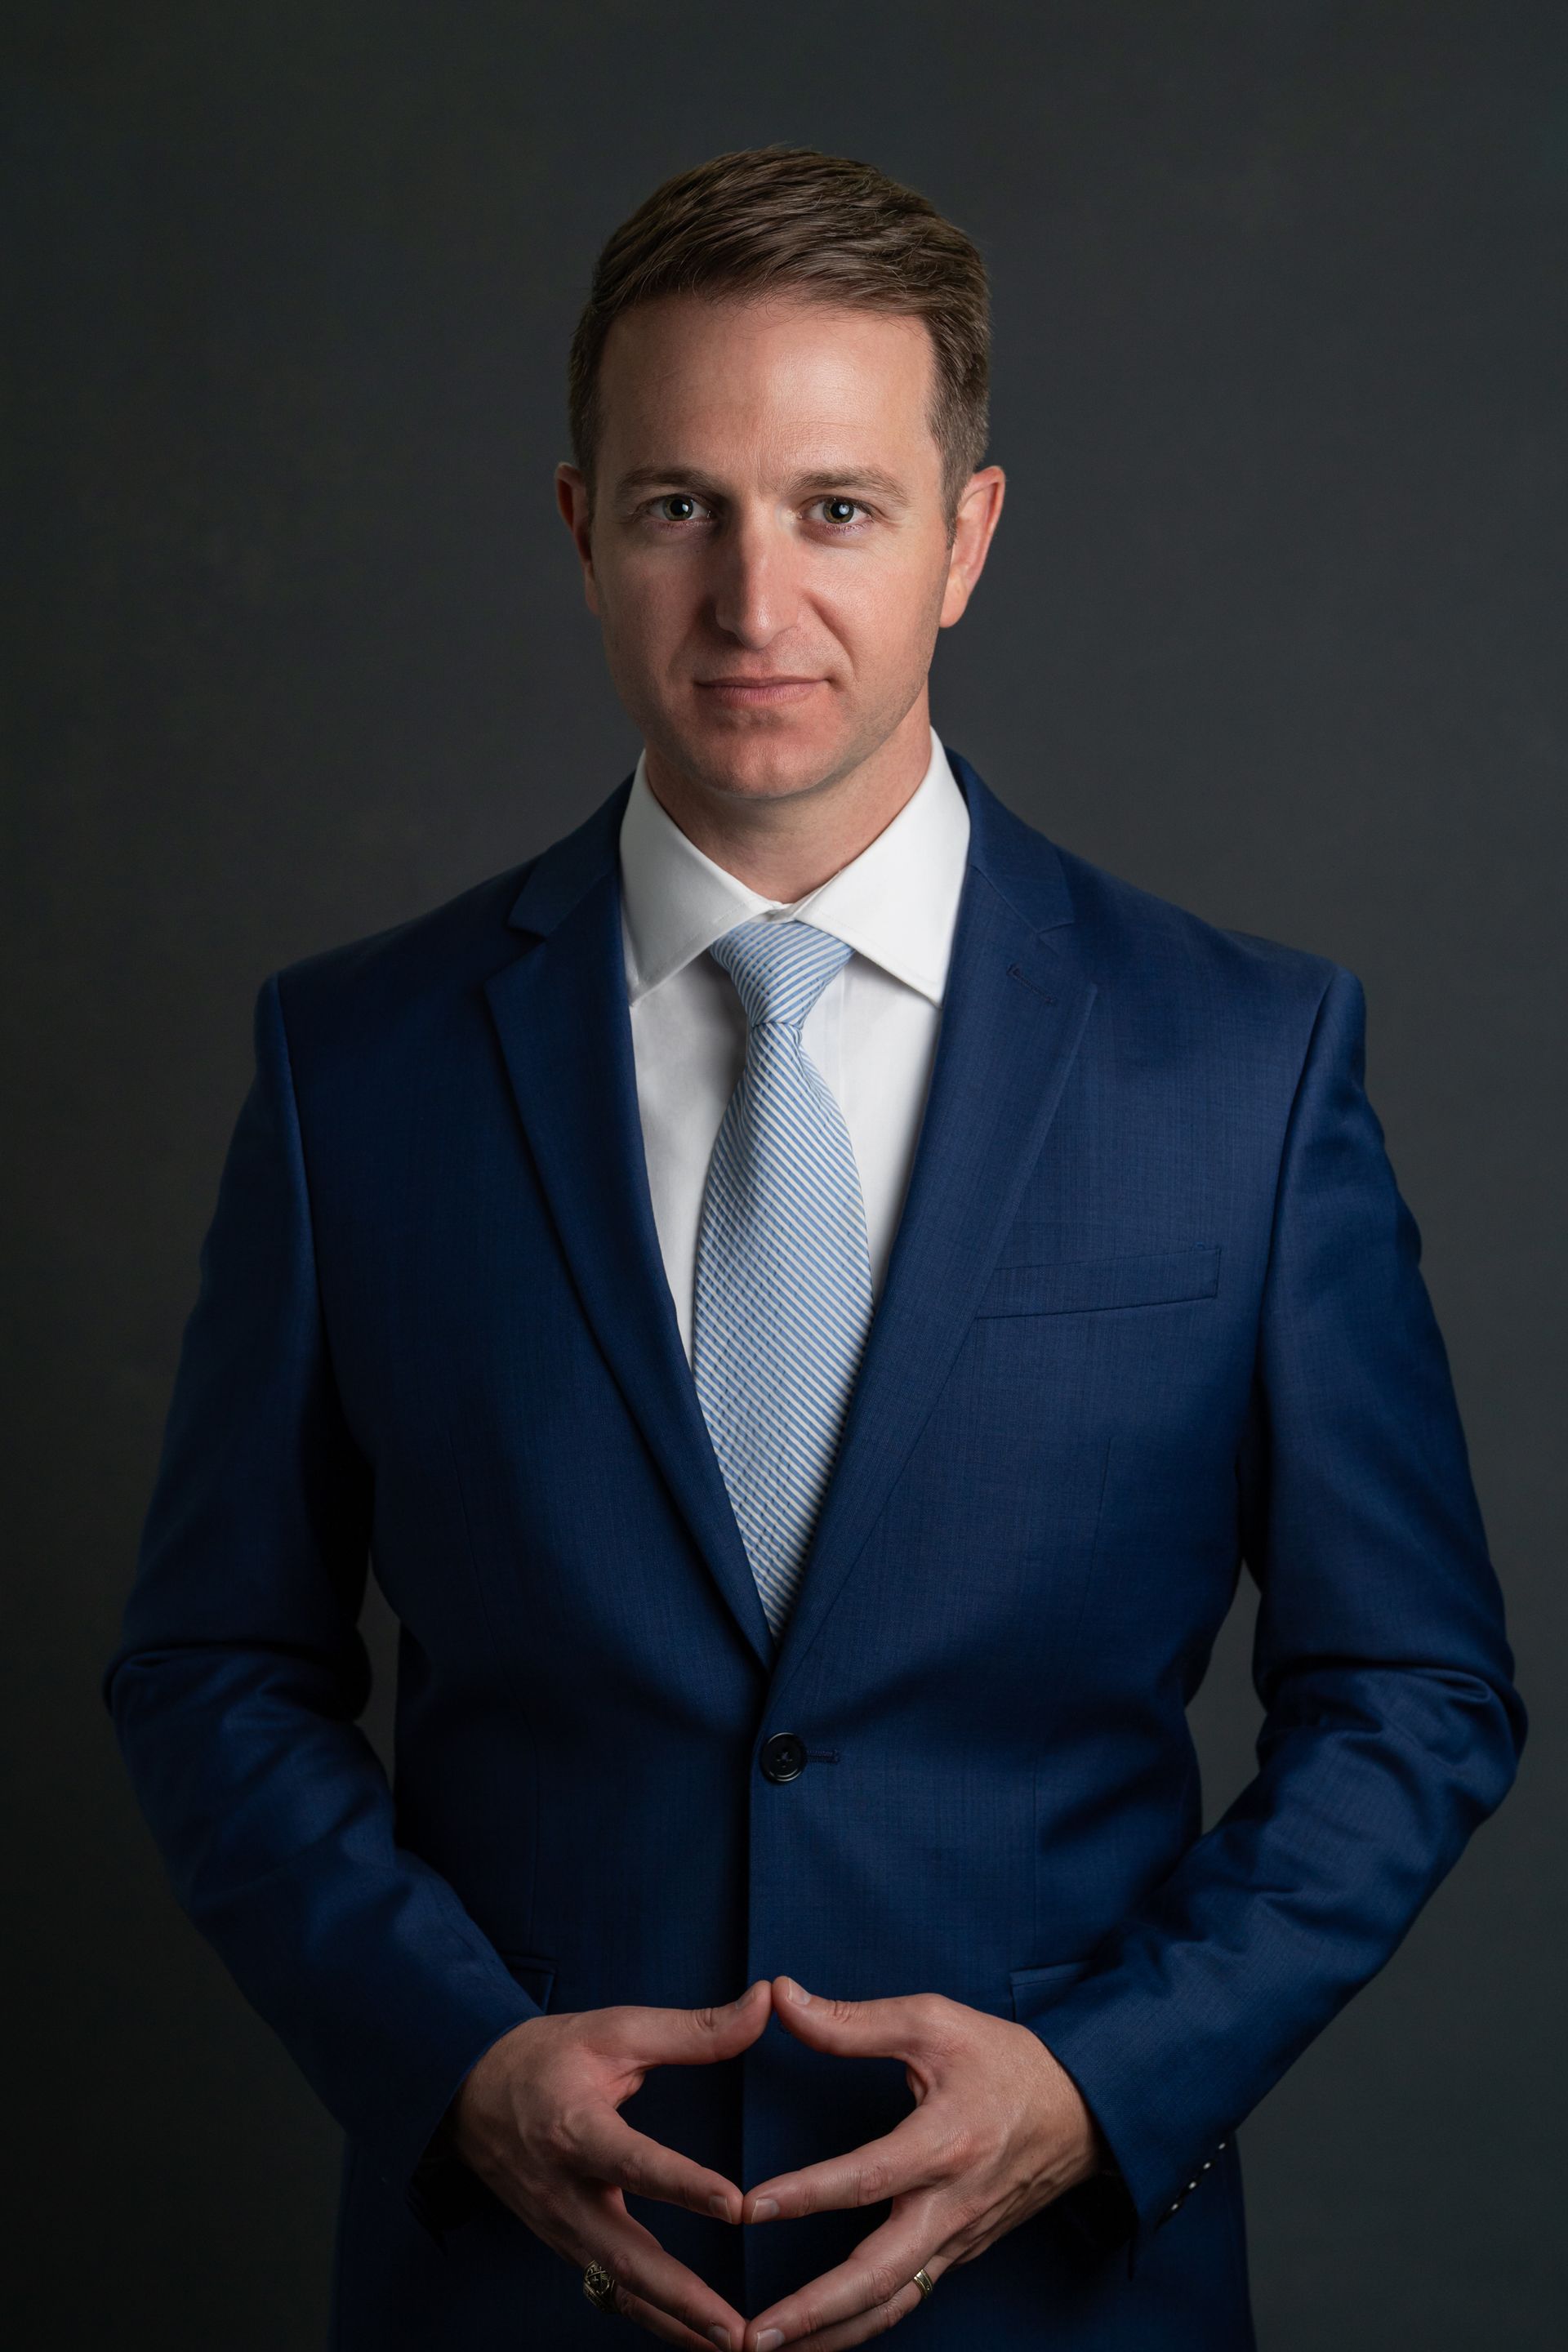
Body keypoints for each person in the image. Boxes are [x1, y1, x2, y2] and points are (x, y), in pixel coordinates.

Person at [104, 145, 1526, 2352]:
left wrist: (1098, 2084)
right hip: (511, 2297)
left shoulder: (1240, 1063)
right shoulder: (350, 1067)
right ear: (582, 531)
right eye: (684, 507)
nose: (757, 605)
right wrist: (453, 2064)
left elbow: (1413, 1686)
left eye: (838, 508)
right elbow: (212, 1666)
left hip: (1064, 2297)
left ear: (966, 536)